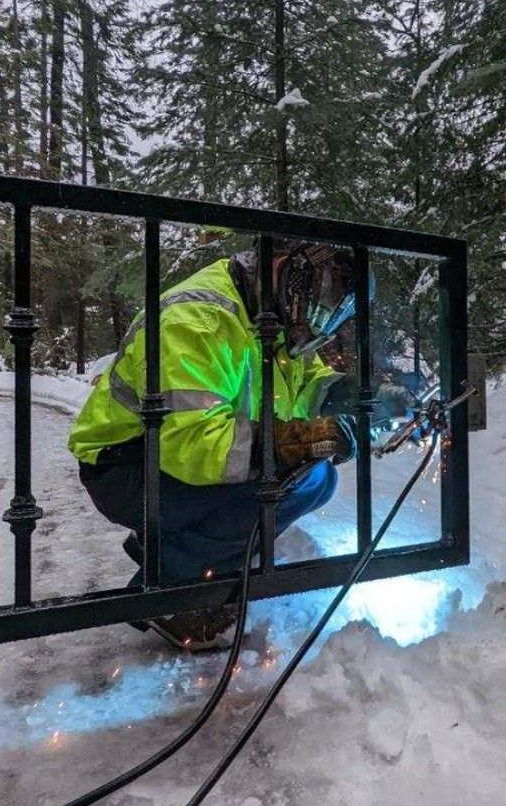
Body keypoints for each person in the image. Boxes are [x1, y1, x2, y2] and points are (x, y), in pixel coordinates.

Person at [68, 242, 360, 651]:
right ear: (286, 269)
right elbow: (199, 446)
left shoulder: (269, 314)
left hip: (169, 457)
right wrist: (308, 439)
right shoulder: (197, 319)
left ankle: (181, 550)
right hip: (126, 464)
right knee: (306, 476)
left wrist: (351, 397)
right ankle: (169, 588)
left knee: (312, 476)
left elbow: (302, 388)